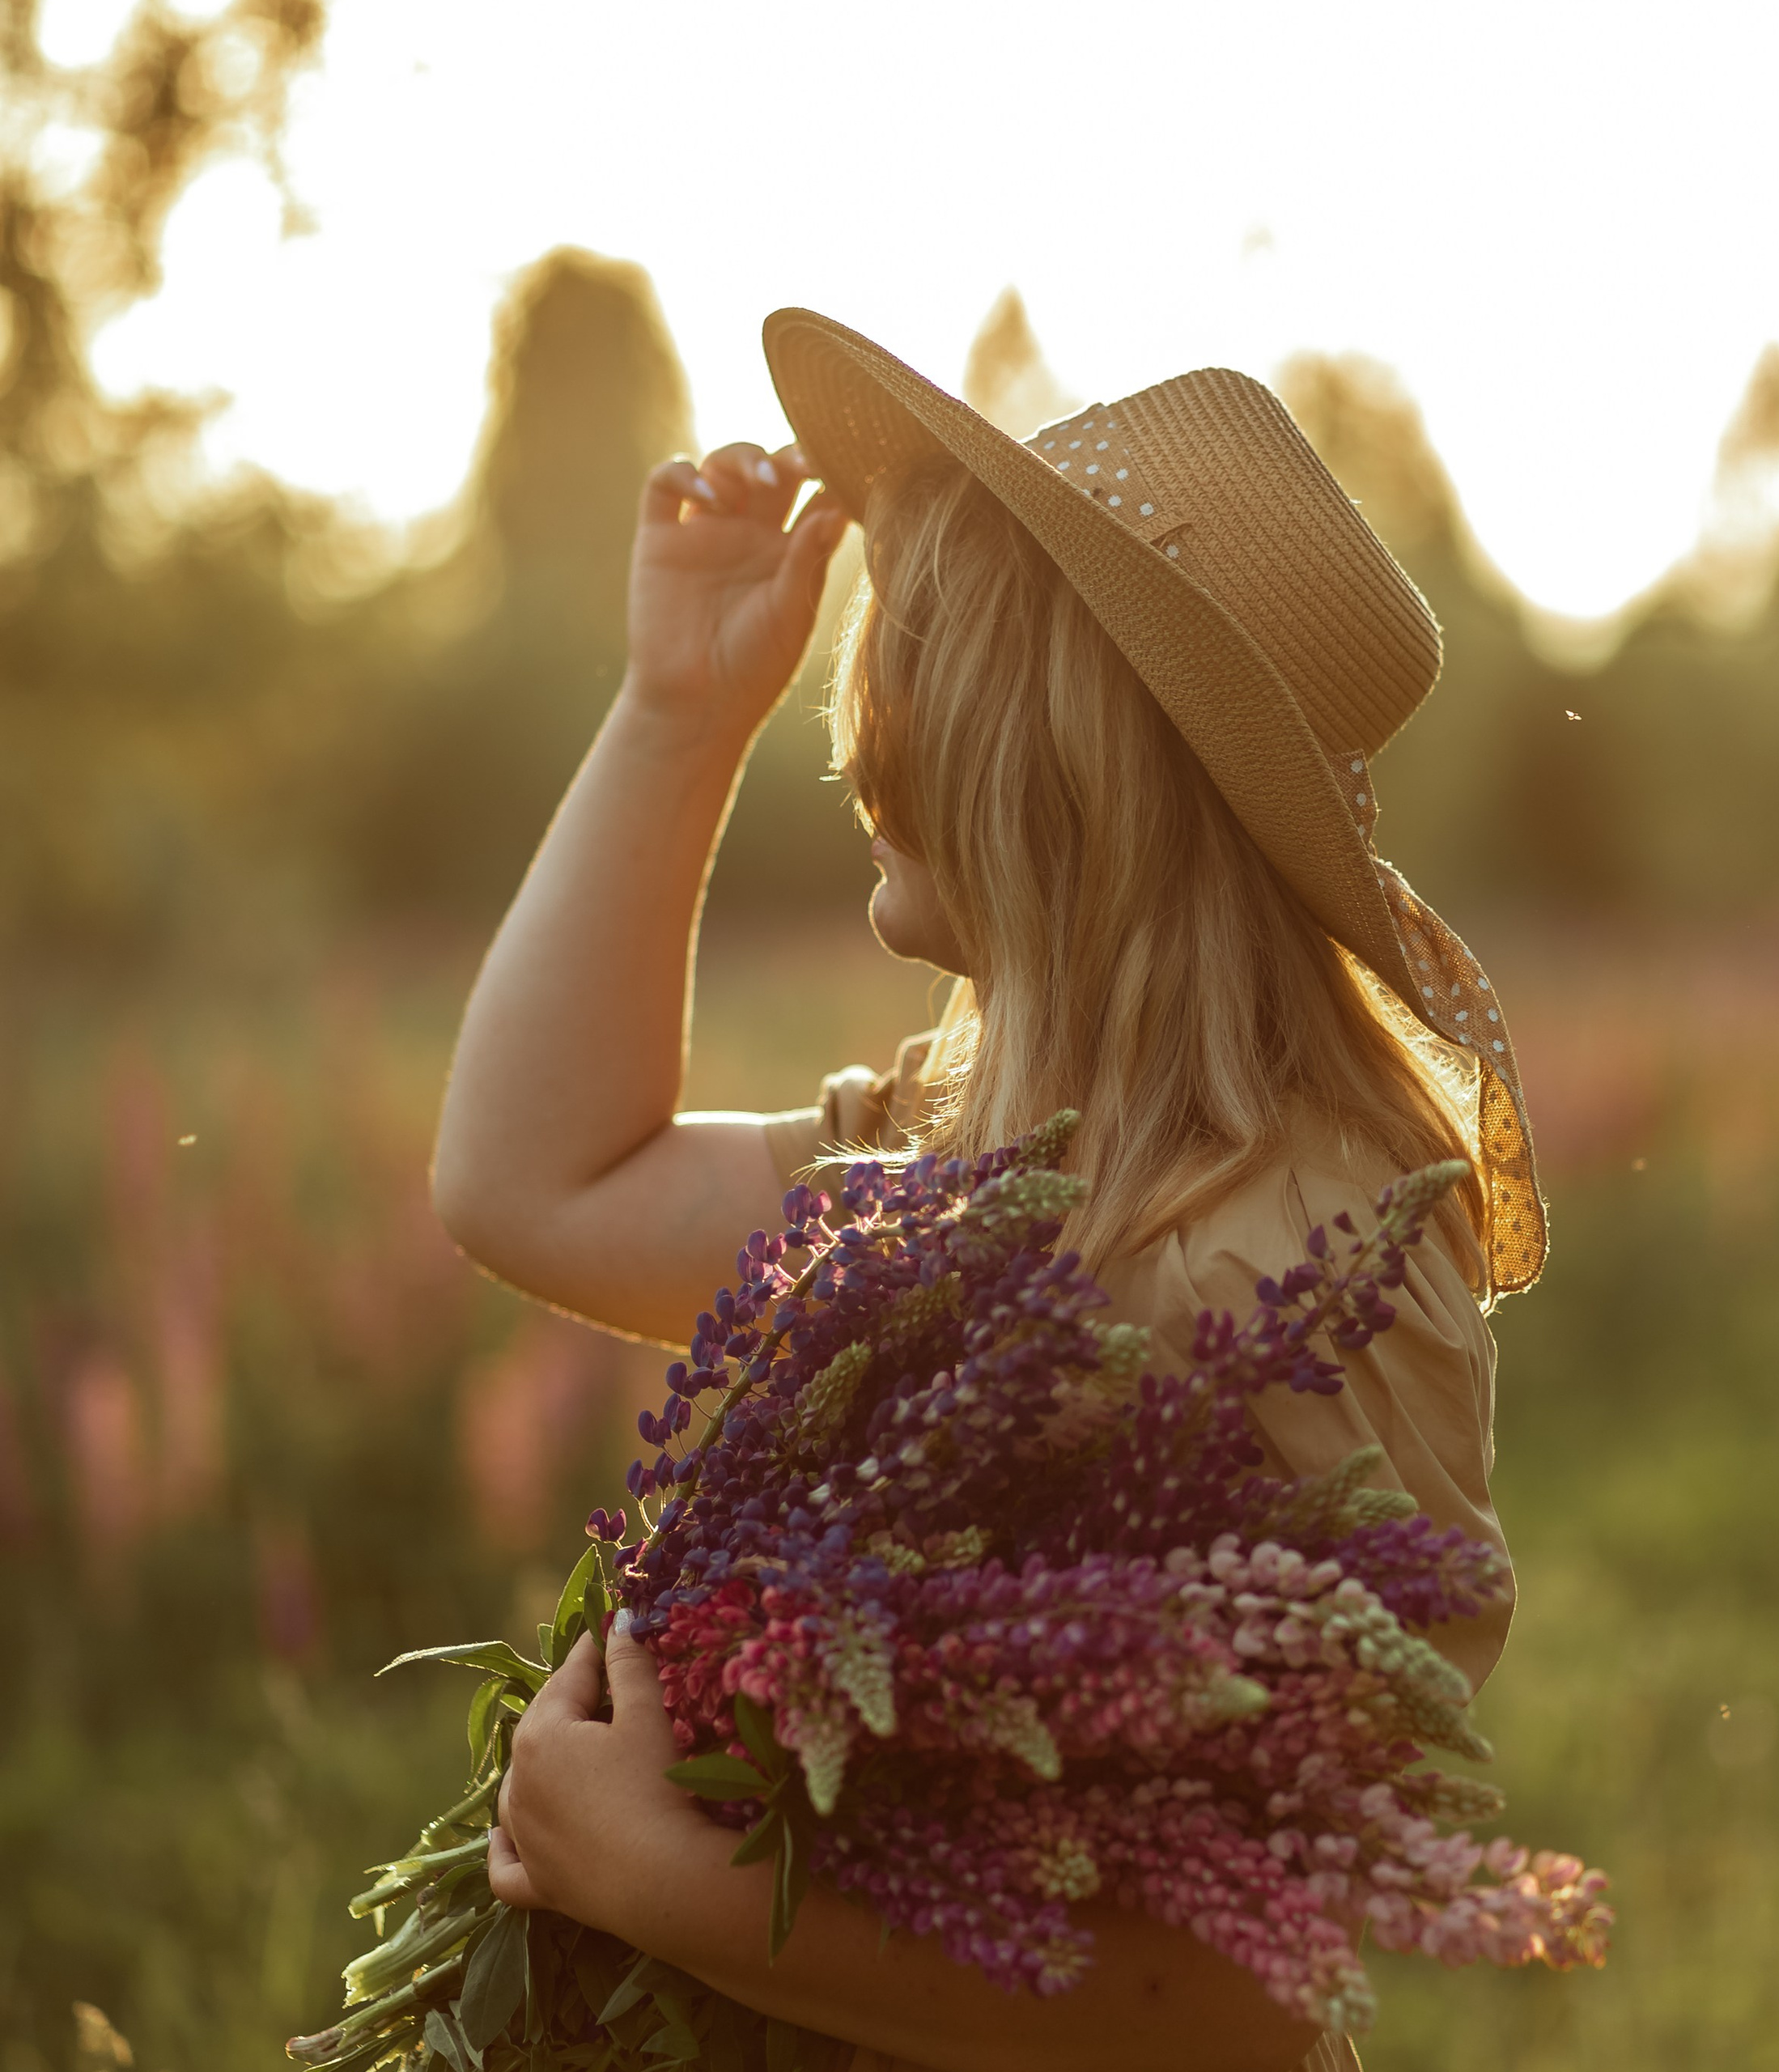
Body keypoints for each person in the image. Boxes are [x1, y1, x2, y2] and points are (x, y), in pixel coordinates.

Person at [430, 309, 1550, 2072]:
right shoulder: (948, 1159)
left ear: (1046, 770)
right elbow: (532, 1180)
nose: (854, 715)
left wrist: (660, 1877)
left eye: (905, 676)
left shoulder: (1312, 1254)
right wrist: (672, 713)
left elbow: (1242, 1991)